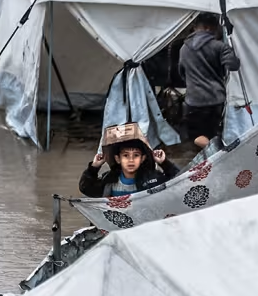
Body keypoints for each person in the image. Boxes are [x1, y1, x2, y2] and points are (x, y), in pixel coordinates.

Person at [179, 12, 241, 149]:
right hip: (215, 99)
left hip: (193, 99)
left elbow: (182, 73)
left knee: (196, 136)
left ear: (196, 27)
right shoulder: (219, 46)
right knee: (215, 134)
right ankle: (217, 153)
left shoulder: (184, 48)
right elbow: (233, 66)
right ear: (210, 28)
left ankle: (206, 155)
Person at [80, 123, 180, 198]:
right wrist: (94, 167)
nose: (131, 160)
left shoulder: (153, 178)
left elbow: (179, 182)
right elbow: (86, 188)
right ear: (118, 159)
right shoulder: (109, 179)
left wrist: (164, 163)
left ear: (142, 158)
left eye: (136, 155)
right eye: (126, 155)